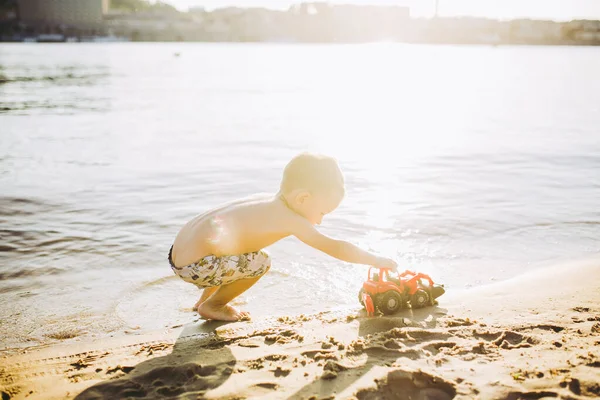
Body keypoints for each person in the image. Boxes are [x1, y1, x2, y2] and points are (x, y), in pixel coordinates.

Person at [168, 153, 398, 321]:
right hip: (197, 266)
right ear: (302, 198)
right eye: (321, 213)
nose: (319, 221)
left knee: (238, 249)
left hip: (179, 254)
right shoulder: (291, 218)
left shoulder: (266, 201)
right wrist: (374, 260)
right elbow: (335, 247)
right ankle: (214, 305)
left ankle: (203, 301)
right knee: (261, 262)